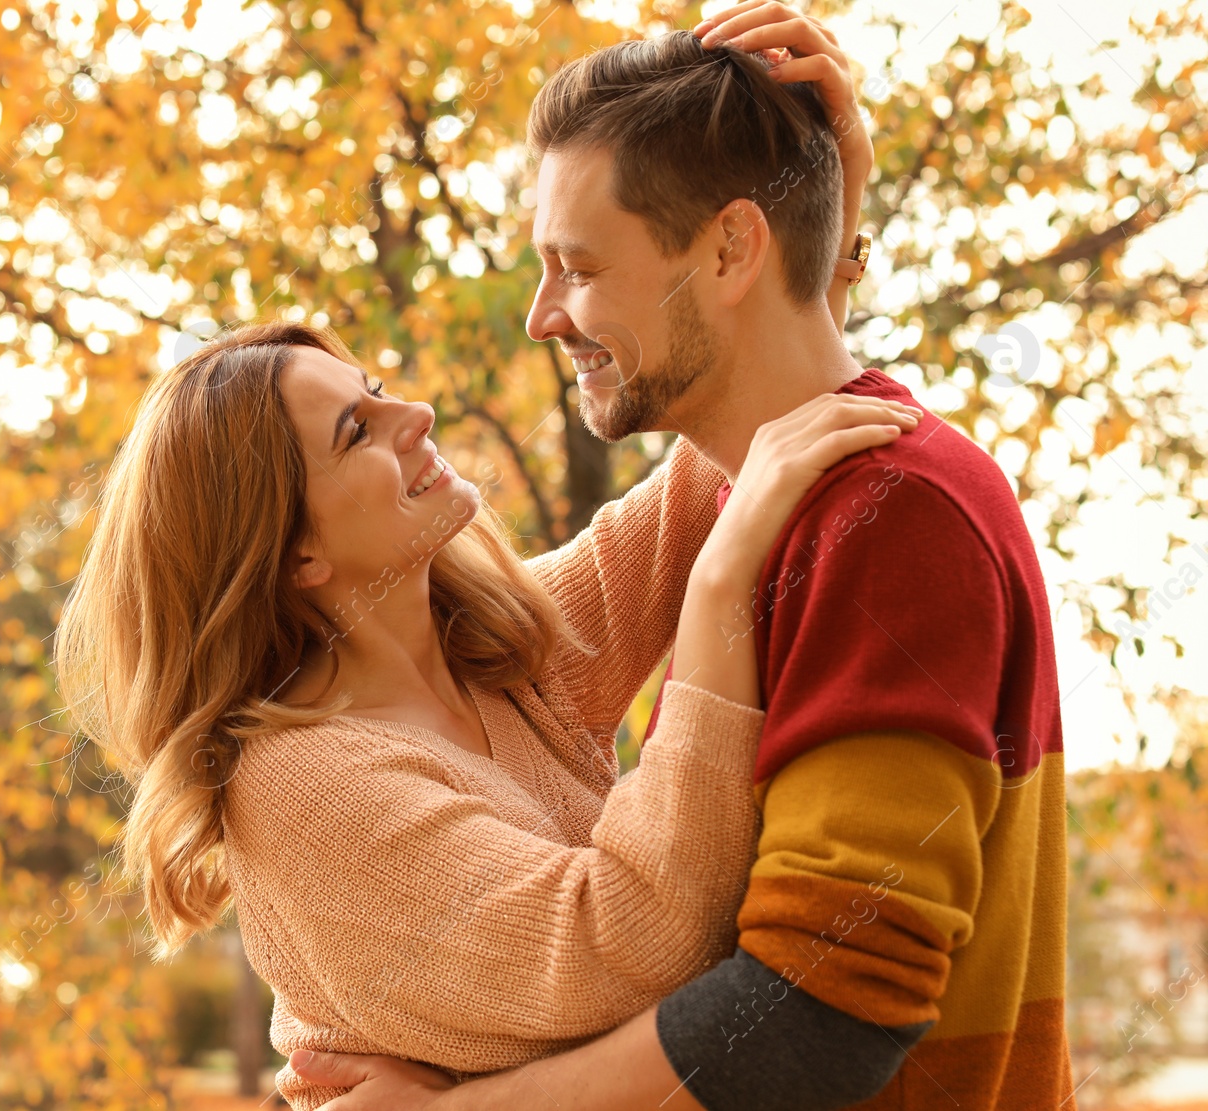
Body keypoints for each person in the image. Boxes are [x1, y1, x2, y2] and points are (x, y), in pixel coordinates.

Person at [286, 7, 1075, 1111]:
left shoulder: (889, 514)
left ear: (727, 248)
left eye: (576, 267)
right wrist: (824, 216)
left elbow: (822, 1014)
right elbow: (780, 369)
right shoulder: (774, 498)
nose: (541, 318)